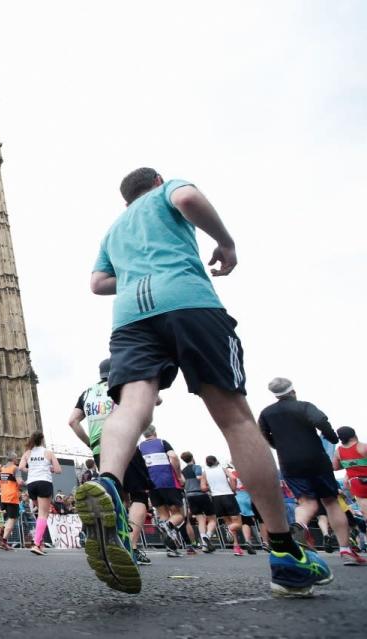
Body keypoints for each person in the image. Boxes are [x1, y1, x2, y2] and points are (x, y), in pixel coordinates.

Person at [79, 168, 326, 596]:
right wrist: (225, 243)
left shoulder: (115, 229)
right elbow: (189, 199)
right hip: (188, 302)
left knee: (131, 405)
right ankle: (285, 552)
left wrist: (137, 274)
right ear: (156, 181)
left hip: (131, 319)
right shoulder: (166, 191)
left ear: (125, 200)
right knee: (234, 419)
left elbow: (98, 283)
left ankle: (108, 484)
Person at [260, 378, 363, 566]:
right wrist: (331, 437)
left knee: (306, 503)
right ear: (293, 391)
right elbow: (321, 420)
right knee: (331, 502)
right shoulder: (304, 406)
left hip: (289, 462)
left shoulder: (266, 413)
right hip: (315, 458)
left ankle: (300, 526)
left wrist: (278, 445)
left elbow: (263, 434)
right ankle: (346, 550)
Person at [69, 357, 153, 567]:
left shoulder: (87, 393)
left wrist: (90, 443)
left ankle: (113, 539)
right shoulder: (122, 384)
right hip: (123, 442)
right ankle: (130, 548)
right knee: (139, 496)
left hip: (99, 448)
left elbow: (72, 421)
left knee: (118, 496)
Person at [138, 426, 186, 556]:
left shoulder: (139, 447)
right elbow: (174, 457)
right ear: (155, 433)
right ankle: (168, 527)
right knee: (179, 515)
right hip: (168, 481)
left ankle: (171, 549)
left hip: (152, 485)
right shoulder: (162, 442)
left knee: (163, 516)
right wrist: (179, 475)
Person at [19, 432, 61, 556]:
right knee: (43, 514)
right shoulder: (48, 453)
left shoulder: (27, 453)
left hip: (31, 484)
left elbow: (21, 467)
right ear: (42, 440)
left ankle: (40, 543)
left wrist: (32, 469)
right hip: (44, 482)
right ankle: (36, 544)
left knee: (40, 515)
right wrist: (49, 468)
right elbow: (58, 470)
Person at [203, 456, 245, 556]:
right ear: (216, 461)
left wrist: (212, 487)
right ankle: (229, 530)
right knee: (238, 524)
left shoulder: (205, 472)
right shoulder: (222, 468)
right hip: (228, 495)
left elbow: (203, 487)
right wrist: (233, 489)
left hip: (216, 498)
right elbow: (233, 478)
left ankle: (236, 547)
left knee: (228, 522)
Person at [180, 452, 217, 552]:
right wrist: (207, 483)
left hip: (190, 496)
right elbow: (199, 477)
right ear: (192, 457)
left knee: (200, 520)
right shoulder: (196, 467)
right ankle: (207, 537)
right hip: (200, 494)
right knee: (212, 519)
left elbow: (182, 483)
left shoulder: (183, 470)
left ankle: (205, 545)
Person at [334, 426, 367, 518]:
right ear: (354, 435)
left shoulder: (338, 451)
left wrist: (349, 465)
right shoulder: (363, 447)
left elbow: (335, 467)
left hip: (356, 483)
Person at [0, 453, 23, 551]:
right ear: (14, 459)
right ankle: (3, 541)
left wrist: (1, 487)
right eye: (17, 458)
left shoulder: (3, 468)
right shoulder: (15, 468)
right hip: (12, 497)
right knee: (12, 519)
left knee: (11, 518)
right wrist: (26, 483)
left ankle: (3, 531)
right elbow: (20, 482)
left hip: (4, 496)